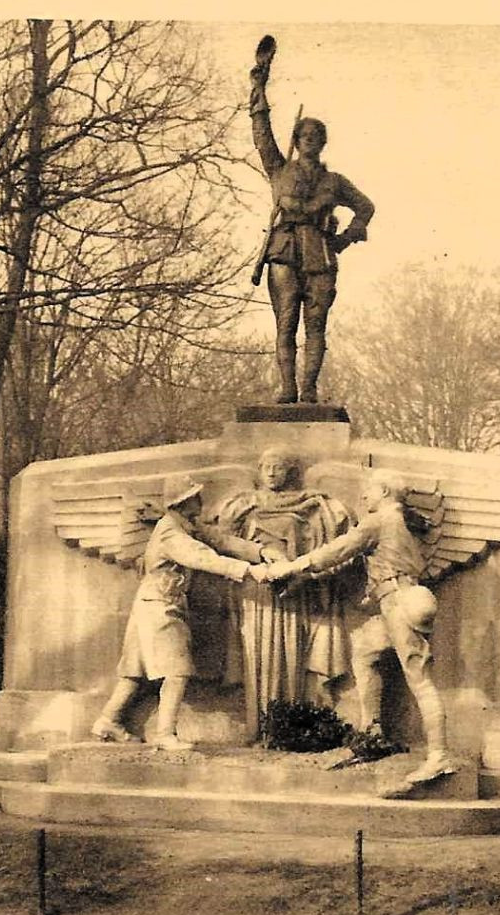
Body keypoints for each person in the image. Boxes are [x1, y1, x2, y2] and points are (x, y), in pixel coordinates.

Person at [266, 473, 458, 791]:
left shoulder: (380, 520)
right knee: (365, 652)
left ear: (383, 492)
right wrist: (306, 579)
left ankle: (439, 755)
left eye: (367, 491)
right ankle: (373, 732)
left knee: (419, 679)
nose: (364, 498)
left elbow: (338, 550)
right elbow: (351, 562)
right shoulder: (398, 522)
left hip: (399, 601)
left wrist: (290, 567)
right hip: (390, 601)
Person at [91, 476, 276, 751]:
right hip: (160, 607)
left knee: (134, 672)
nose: (200, 501)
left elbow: (220, 540)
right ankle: (165, 735)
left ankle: (108, 721)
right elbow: (202, 557)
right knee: (177, 671)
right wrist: (249, 571)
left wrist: (259, 551)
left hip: (153, 604)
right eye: (195, 497)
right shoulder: (171, 533)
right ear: (184, 502)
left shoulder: (185, 526)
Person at [250, 41, 375, 404]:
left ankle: (309, 389)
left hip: (320, 254)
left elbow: (366, 207)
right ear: (296, 140)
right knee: (285, 322)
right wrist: (258, 86)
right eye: (305, 137)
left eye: (317, 137)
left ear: (323, 142)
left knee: (316, 327)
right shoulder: (278, 168)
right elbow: (260, 134)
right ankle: (287, 388)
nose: (311, 142)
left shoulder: (334, 181)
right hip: (285, 251)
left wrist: (347, 238)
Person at [212, 448, 355, 736]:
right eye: (266, 466)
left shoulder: (312, 504)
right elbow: (222, 539)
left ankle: (288, 727)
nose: (271, 472)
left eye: (278, 467)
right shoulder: (244, 504)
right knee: (257, 658)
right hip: (256, 590)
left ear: (290, 471)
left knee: (292, 655)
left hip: (294, 590)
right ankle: (259, 726)